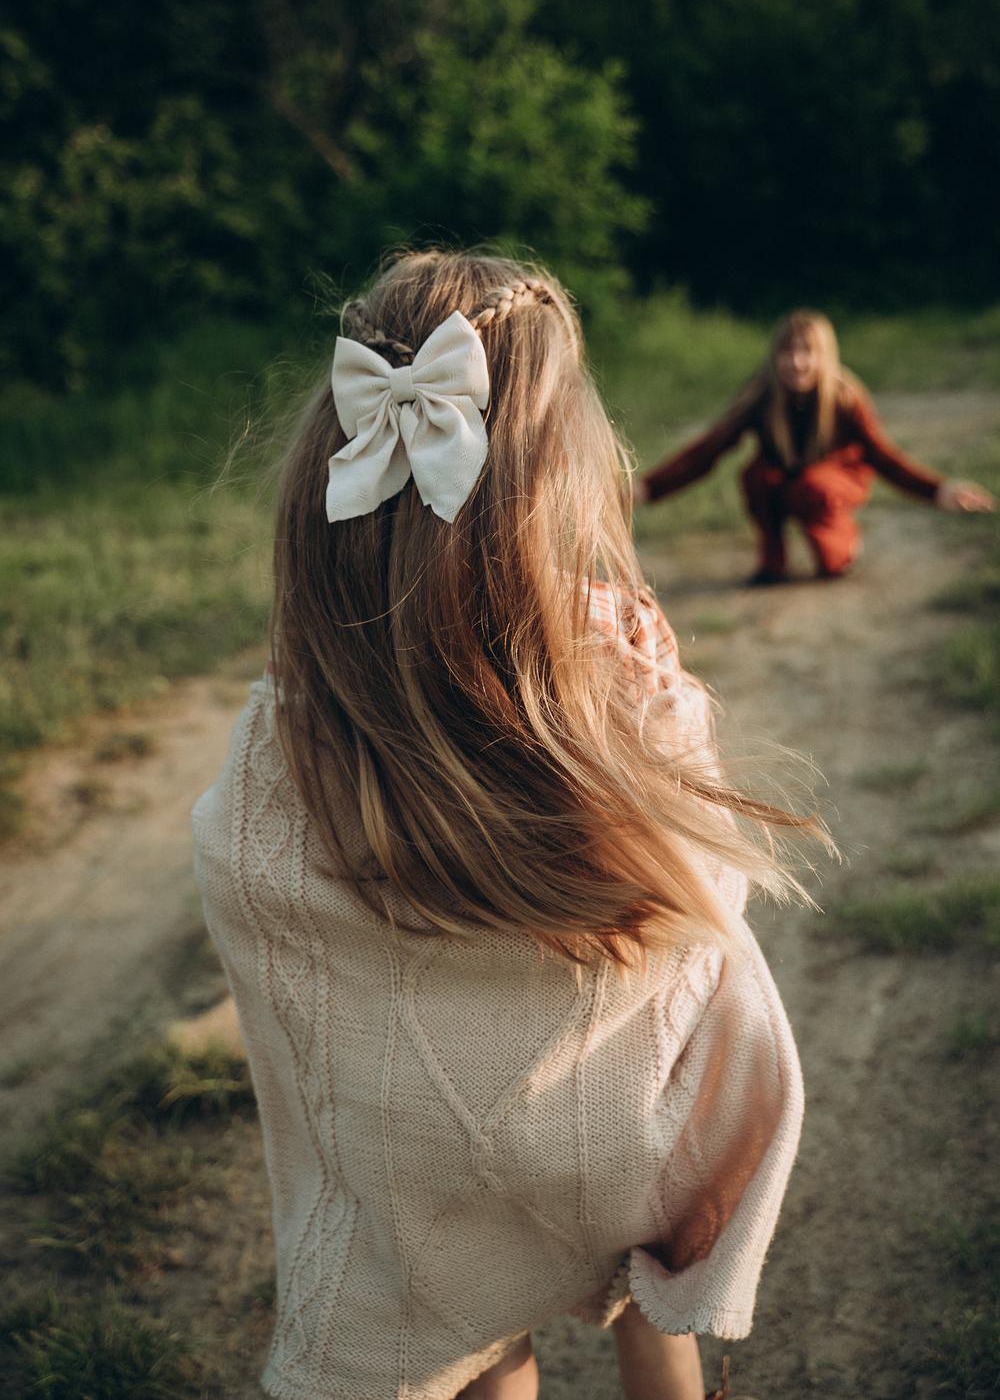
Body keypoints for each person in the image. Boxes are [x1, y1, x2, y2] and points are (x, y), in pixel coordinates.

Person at [193, 251, 823, 1400]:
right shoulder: (618, 674)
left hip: (417, 1178)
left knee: (460, 1307)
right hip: (610, 1152)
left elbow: (248, 888)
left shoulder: (292, 723)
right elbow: (694, 914)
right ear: (560, 466)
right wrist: (667, 702)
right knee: (642, 1217)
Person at [637, 309, 995, 584]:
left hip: (833, 482)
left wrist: (938, 490)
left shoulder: (844, 396)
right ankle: (773, 559)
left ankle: (841, 546)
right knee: (756, 476)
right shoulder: (761, 394)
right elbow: (707, 451)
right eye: (787, 352)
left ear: (825, 355)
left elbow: (885, 457)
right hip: (788, 483)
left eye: (807, 352)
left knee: (819, 508)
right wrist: (648, 488)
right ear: (775, 357)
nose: (796, 362)